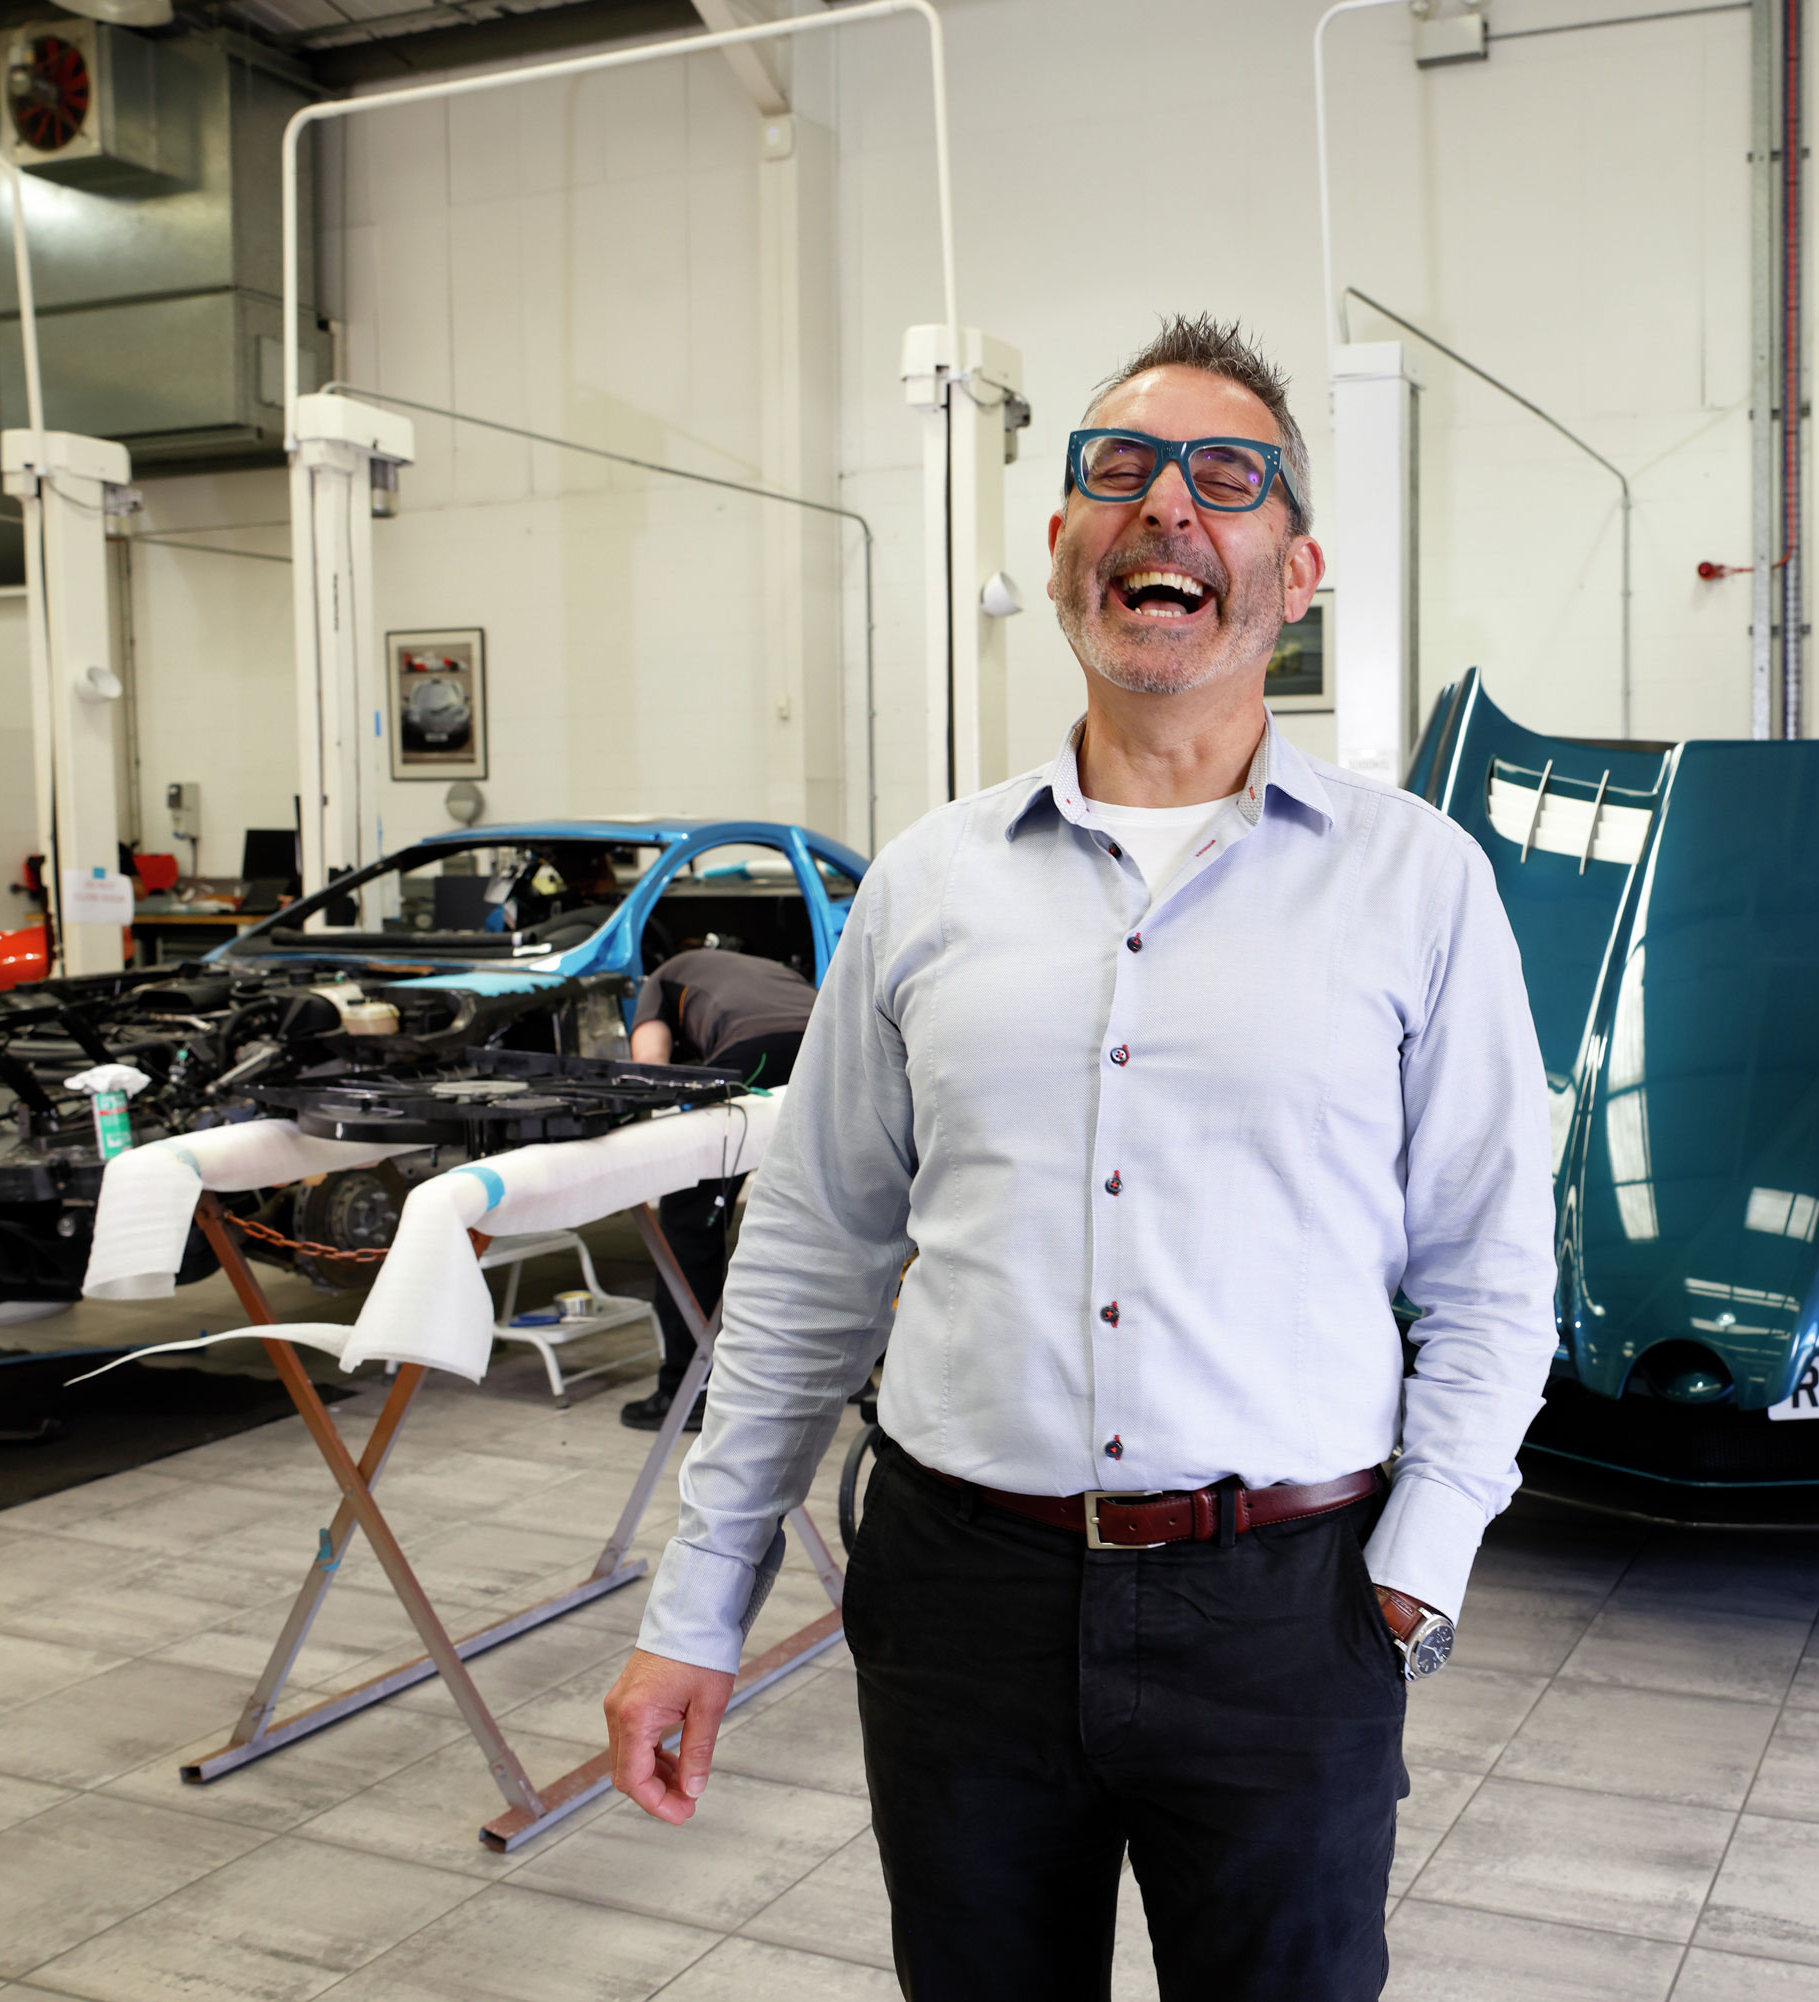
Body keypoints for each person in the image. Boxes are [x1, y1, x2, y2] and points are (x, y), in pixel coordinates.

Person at [600, 314, 1556, 2001]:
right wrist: (697, 1606)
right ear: (1059, 548)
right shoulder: (928, 882)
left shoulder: (1419, 885)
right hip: (961, 1599)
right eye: (1118, 472)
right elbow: (813, 1259)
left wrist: (1419, 1566)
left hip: (1291, 1607)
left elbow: (1494, 1271)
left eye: (1227, 479)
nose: (1167, 509)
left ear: (1297, 565)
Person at [616, 946, 815, 1432]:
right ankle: (849, 1377)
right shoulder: (772, 967)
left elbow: (652, 1068)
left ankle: (687, 1389)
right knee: (823, 1217)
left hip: (756, 1051)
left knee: (689, 1215)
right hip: (835, 1046)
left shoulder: (660, 979)